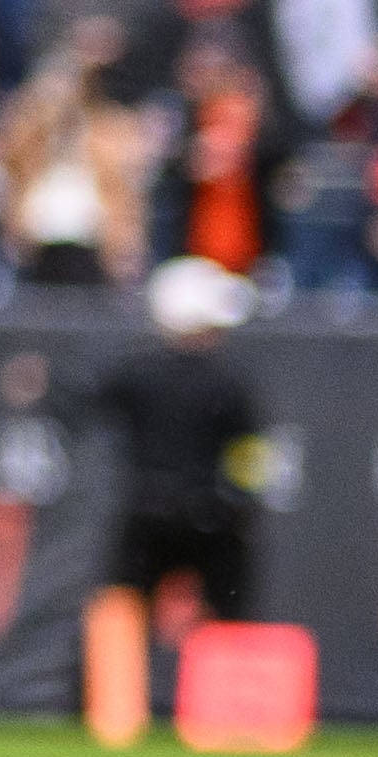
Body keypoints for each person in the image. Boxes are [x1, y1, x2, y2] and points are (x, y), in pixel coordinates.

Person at [91, 256, 276, 665]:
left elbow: (88, 402)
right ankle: (223, 701)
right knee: (227, 608)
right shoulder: (229, 382)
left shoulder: (137, 372)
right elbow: (249, 458)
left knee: (123, 606)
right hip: (209, 514)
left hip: (147, 511)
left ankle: (110, 708)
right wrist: (242, 508)